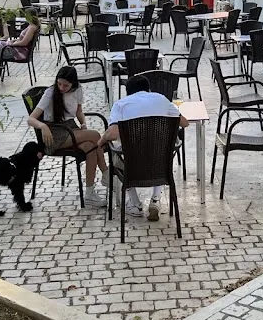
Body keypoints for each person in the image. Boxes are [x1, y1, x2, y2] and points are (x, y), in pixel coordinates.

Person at [102, 74, 189, 221]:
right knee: (163, 147)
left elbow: (113, 132)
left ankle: (135, 204)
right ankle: (155, 200)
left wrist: (101, 140)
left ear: (128, 92)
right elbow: (184, 123)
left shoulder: (121, 104)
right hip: (160, 163)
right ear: (148, 89)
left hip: (133, 163)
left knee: (117, 154)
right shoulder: (161, 98)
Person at [27, 66, 108, 206]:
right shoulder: (50, 92)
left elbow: (79, 111)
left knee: (91, 146)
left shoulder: (77, 90)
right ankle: (106, 172)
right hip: (54, 133)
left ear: (73, 84)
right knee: (95, 135)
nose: (61, 88)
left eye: (66, 85)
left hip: (71, 128)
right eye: (59, 84)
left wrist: (83, 123)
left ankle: (89, 192)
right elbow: (31, 119)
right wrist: (43, 126)